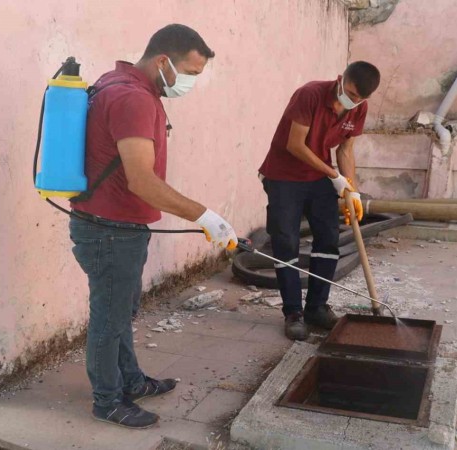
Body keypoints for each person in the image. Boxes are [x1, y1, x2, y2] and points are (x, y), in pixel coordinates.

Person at [69, 24, 238, 429]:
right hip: (110, 229)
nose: (192, 83)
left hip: (114, 223)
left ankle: (130, 380)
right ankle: (107, 400)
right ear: (164, 62)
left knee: (120, 311)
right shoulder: (132, 98)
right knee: (109, 317)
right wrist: (205, 216)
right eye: (191, 73)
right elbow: (141, 181)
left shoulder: (121, 82)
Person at [258, 61, 381, 341]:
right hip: (283, 177)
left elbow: (346, 149)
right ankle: (293, 314)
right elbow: (295, 144)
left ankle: (316, 307)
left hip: (319, 178)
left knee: (328, 239)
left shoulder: (358, 107)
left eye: (360, 98)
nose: (353, 100)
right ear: (341, 80)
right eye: (350, 92)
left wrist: (351, 189)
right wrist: (333, 175)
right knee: (286, 241)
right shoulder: (310, 94)